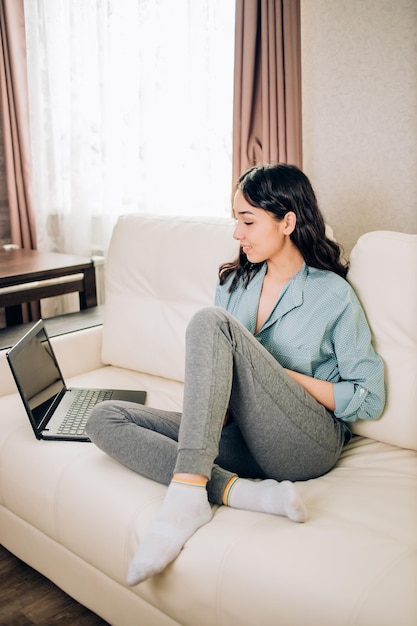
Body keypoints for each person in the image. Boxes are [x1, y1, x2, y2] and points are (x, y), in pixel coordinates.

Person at [86, 163, 385, 586]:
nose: (236, 233)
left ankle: (186, 495)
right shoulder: (234, 283)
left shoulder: (331, 295)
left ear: (287, 222)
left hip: (307, 442)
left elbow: (368, 396)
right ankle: (241, 492)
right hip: (240, 436)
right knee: (104, 419)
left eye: (247, 220)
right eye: (235, 220)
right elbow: (216, 376)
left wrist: (277, 376)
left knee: (211, 321)